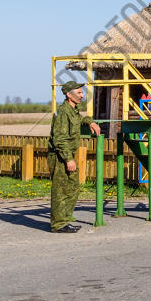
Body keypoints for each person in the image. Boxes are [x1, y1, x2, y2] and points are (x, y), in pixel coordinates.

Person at [49, 80, 101, 233]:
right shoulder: (63, 112)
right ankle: (58, 225)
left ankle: (65, 220)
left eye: (81, 92)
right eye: (78, 93)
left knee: (72, 188)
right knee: (60, 191)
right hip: (60, 156)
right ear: (68, 95)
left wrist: (90, 121)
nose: (82, 95)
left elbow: (79, 121)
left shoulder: (73, 111)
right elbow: (58, 138)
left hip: (67, 155)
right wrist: (68, 159)